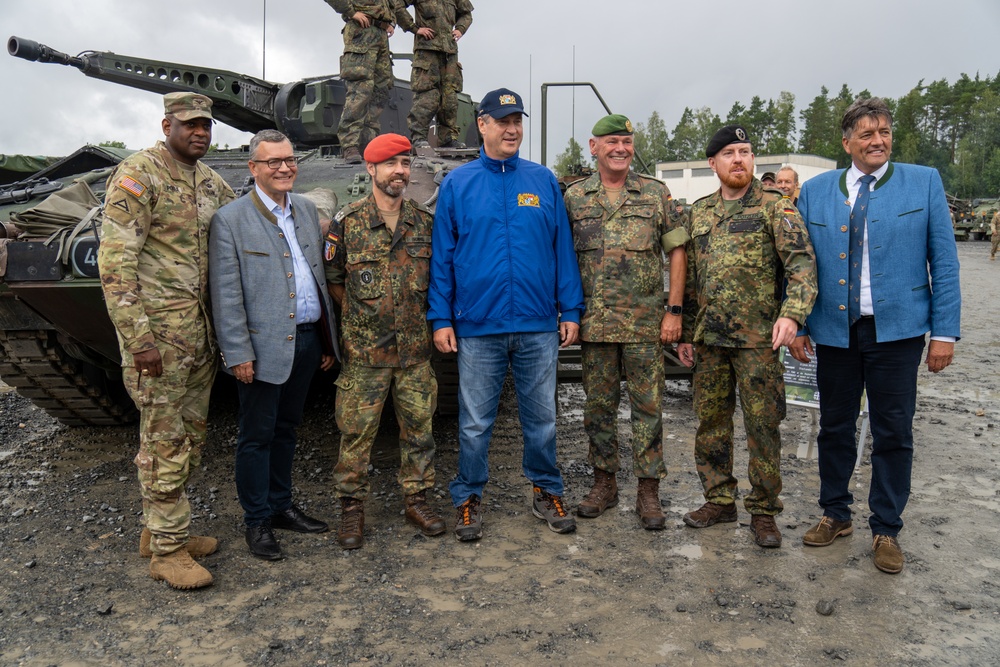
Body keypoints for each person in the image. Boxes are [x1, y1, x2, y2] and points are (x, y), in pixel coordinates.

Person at [791, 97, 961, 574]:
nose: (878, 141)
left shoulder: (923, 182)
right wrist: (800, 323)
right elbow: (800, 267)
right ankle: (835, 513)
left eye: (884, 132)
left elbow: (944, 262)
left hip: (899, 332)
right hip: (836, 331)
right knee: (835, 427)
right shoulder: (817, 191)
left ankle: (886, 527)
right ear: (847, 143)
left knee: (893, 430)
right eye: (866, 134)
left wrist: (945, 332)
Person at [427, 87, 585, 542]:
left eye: (517, 120)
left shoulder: (541, 180)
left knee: (542, 419)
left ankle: (546, 489)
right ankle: (468, 497)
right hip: (478, 326)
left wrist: (569, 309)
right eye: (502, 121)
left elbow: (561, 251)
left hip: (537, 325)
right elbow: (443, 257)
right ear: (482, 125)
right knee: (476, 422)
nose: (512, 128)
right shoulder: (458, 184)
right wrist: (441, 318)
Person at [98, 92, 235, 589]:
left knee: (191, 438)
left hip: (197, 336)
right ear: (166, 125)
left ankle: (157, 531)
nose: (199, 132)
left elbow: (241, 218)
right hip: (156, 339)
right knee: (164, 442)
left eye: (205, 125)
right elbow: (114, 263)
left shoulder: (207, 179)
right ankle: (168, 551)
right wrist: (138, 340)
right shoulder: (141, 175)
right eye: (189, 124)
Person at [677, 125, 817, 549]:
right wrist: (685, 333)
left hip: (759, 342)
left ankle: (763, 511)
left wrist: (793, 316)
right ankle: (719, 499)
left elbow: (802, 267)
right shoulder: (699, 212)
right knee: (711, 424)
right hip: (711, 342)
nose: (739, 159)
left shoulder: (776, 208)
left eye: (746, 151)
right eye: (730, 153)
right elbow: (692, 280)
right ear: (713, 163)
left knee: (763, 427)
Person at [209, 129, 340, 561]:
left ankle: (282, 505)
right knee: (256, 435)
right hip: (261, 349)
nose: (284, 168)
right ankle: (257, 520)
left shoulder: (303, 208)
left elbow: (316, 279)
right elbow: (226, 294)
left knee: (287, 429)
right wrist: (238, 353)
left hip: (306, 340)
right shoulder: (231, 219)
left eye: (289, 160)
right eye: (273, 162)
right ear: (254, 168)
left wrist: (324, 339)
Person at [563, 114, 689, 530]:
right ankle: (604, 483)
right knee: (597, 409)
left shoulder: (654, 194)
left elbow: (676, 252)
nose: (620, 148)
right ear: (593, 147)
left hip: (645, 325)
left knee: (648, 408)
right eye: (611, 141)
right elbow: (562, 258)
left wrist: (674, 311)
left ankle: (648, 489)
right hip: (595, 325)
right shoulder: (575, 197)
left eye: (627, 141)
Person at [324, 133, 446, 549]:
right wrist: (365, 319)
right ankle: (352, 509)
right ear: (371, 169)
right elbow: (335, 281)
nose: (400, 171)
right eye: (391, 163)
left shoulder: (423, 223)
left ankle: (417, 499)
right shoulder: (348, 223)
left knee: (419, 431)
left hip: (414, 353)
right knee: (356, 434)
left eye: (405, 163)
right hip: (365, 355)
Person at [325, 0, 400, 164]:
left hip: (381, 35)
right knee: (360, 90)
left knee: (380, 93)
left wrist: (391, 21)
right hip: (362, 32)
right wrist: (351, 12)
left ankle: (369, 143)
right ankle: (350, 145)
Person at [394, 0, 474, 149]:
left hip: (449, 53)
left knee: (449, 99)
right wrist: (414, 28)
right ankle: (419, 138)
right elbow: (396, 5)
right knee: (427, 97)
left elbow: (466, 14)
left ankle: (447, 138)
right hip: (427, 50)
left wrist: (460, 29)